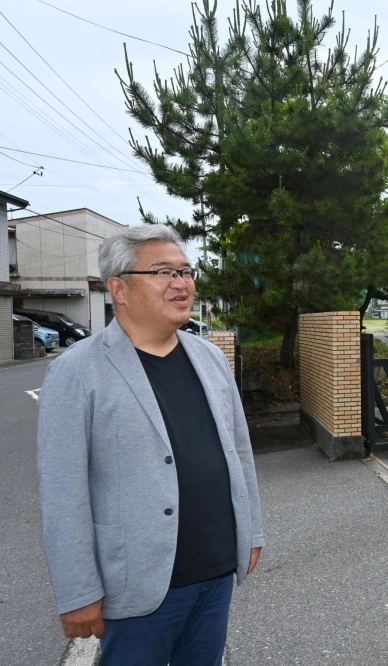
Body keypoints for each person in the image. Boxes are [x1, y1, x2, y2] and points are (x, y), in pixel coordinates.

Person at [36, 225, 264, 666]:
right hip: (139, 582)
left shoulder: (209, 357)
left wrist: (250, 531)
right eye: (163, 272)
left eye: (186, 271)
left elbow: (239, 452)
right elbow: (63, 493)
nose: (182, 283)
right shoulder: (77, 371)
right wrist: (79, 591)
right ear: (119, 288)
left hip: (216, 570)